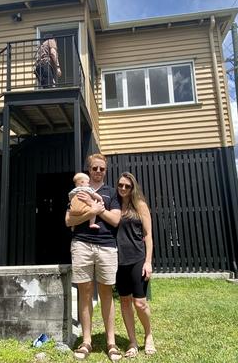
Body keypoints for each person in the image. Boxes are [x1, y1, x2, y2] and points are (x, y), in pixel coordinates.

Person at [65, 154, 122, 361]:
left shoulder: (111, 193)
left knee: (106, 292)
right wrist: (92, 213)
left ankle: (111, 343)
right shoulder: (77, 192)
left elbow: (115, 220)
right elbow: (68, 219)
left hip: (106, 246)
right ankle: (86, 341)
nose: (98, 171)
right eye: (95, 168)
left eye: (102, 169)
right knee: (85, 292)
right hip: (81, 243)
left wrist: (100, 209)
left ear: (105, 170)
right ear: (88, 170)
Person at [115, 172, 156, 357]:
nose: (123, 188)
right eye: (120, 185)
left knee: (139, 303)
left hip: (137, 259)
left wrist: (148, 262)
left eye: (127, 186)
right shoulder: (114, 204)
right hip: (118, 261)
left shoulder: (140, 205)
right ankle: (132, 341)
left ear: (133, 188)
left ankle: (148, 335)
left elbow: (148, 235)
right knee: (124, 301)